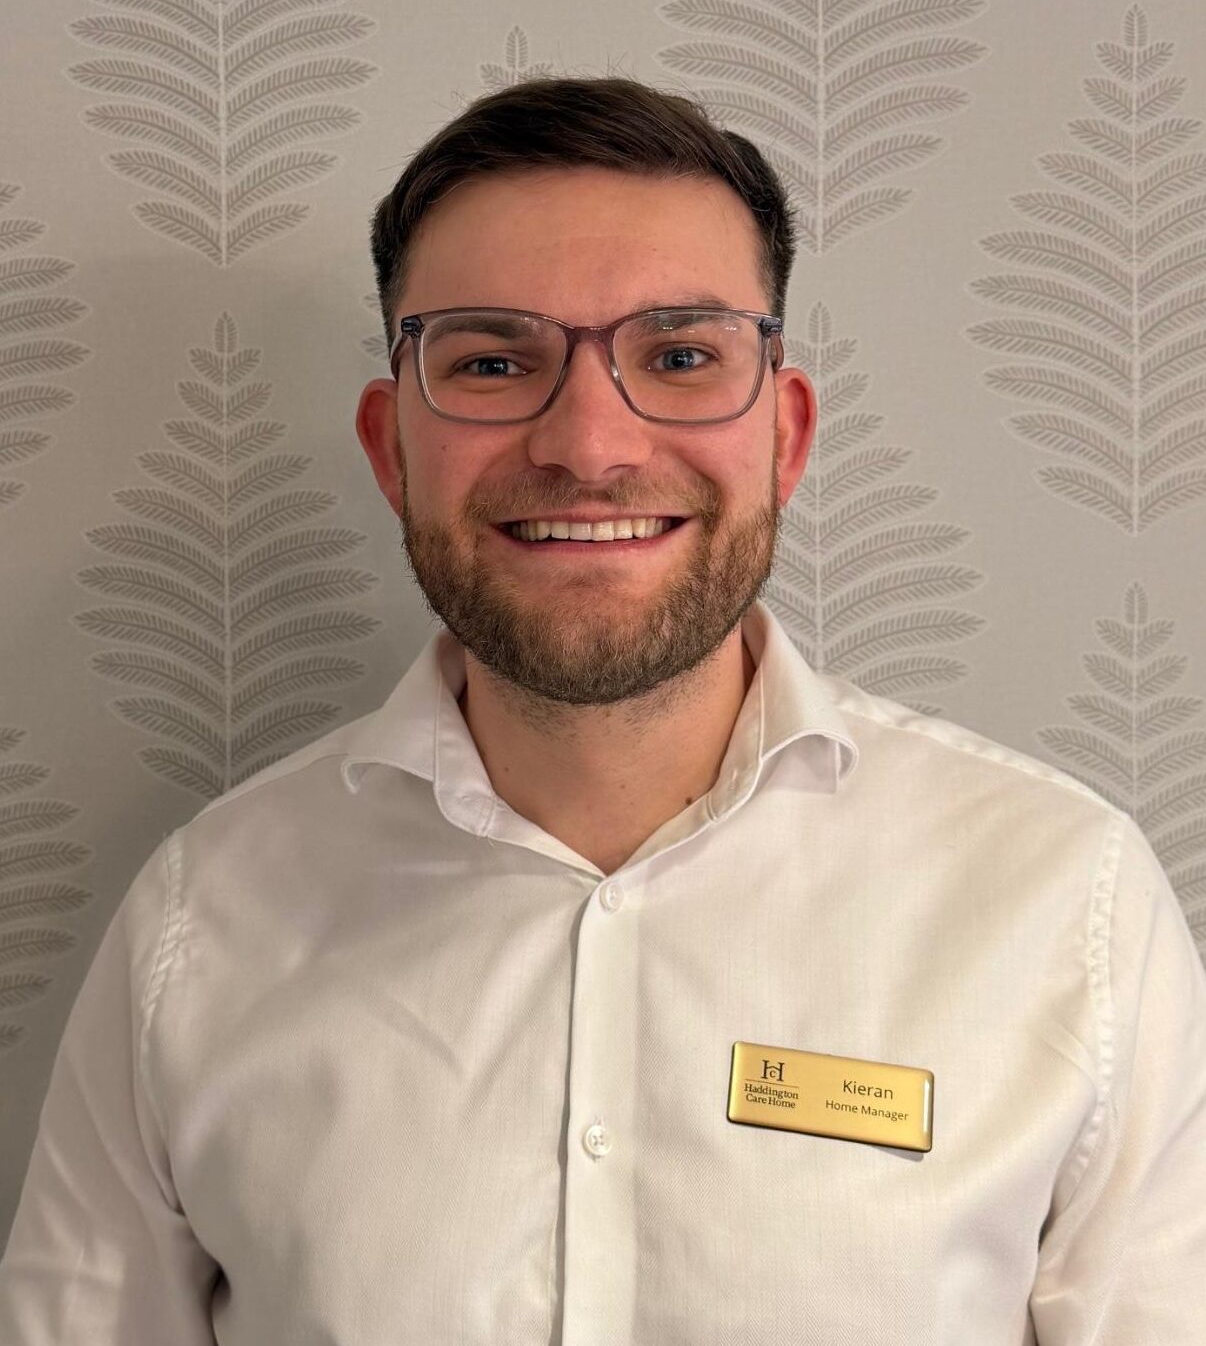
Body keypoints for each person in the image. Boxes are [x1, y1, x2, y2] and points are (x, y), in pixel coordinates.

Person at [1, 77, 1203, 1344]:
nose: (588, 441)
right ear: (389, 445)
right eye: (492, 360)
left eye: (679, 356)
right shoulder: (199, 925)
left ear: (784, 436)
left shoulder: (1068, 905)